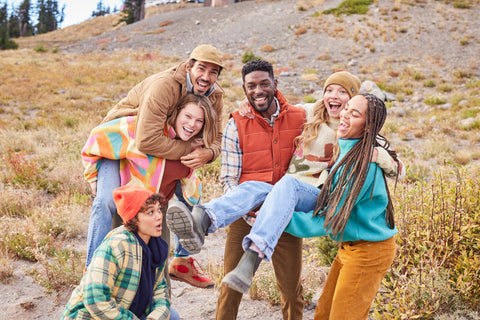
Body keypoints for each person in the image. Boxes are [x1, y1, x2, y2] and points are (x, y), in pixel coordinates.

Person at [224, 93, 399, 320]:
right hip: (350, 246)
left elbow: (328, 221)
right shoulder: (347, 149)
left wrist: (280, 219)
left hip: (369, 251)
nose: (345, 114)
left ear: (368, 127)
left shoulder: (361, 166)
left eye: (354, 114)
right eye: (347, 108)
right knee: (323, 314)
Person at [169, 59, 307, 319]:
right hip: (245, 216)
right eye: (251, 86)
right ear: (244, 89)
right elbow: (229, 178)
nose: (258, 91)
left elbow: (330, 116)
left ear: (275, 84)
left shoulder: (301, 117)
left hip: (286, 218)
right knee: (230, 288)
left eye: (264, 84)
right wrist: (249, 211)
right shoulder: (236, 123)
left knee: (291, 291)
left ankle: (203, 219)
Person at [84, 44, 225, 288]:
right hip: (122, 142)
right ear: (189, 65)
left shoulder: (214, 95)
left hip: (161, 145)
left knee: (191, 197)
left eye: (213, 72)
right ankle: (92, 272)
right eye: (201, 68)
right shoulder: (165, 85)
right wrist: (190, 149)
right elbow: (146, 140)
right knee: (107, 201)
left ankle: (182, 260)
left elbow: (218, 136)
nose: (206, 76)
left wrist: (209, 153)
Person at [61, 185, 180, 320]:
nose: (159, 216)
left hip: (129, 311)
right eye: (151, 212)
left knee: (172, 317)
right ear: (134, 219)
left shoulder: (157, 247)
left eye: (159, 209)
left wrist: (153, 318)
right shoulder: (116, 246)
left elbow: (160, 292)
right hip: (94, 316)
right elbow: (95, 298)